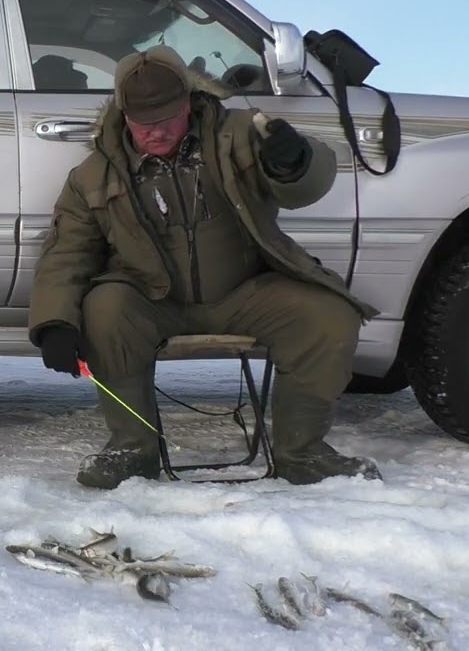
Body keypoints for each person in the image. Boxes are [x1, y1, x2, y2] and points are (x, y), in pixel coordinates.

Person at [27, 45, 384, 490]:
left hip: (246, 291)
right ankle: (132, 451)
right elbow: (66, 253)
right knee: (104, 307)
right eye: (144, 122)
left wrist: (295, 162)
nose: (157, 132)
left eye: (167, 118)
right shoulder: (91, 176)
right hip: (153, 300)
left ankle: (302, 453)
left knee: (329, 316)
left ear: (189, 102)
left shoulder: (239, 134)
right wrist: (54, 323)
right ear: (123, 113)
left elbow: (307, 186)